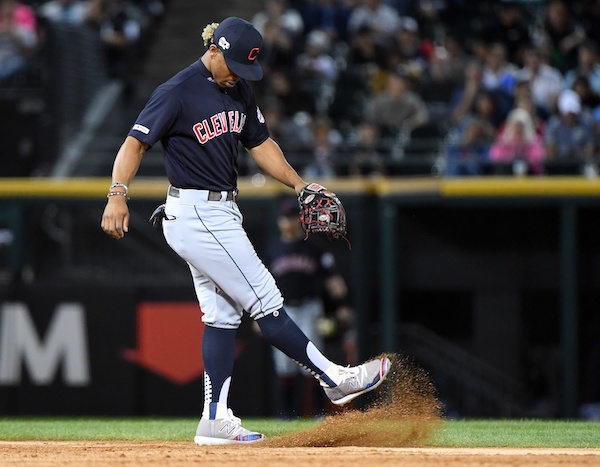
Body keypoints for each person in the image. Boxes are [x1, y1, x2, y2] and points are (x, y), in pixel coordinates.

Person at [100, 17, 390, 446]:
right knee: (265, 299)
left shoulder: (238, 89)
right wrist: (117, 192)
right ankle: (335, 378)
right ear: (214, 49)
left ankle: (214, 420)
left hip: (219, 213)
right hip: (197, 213)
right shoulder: (177, 91)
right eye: (234, 63)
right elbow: (134, 143)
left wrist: (297, 183)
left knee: (222, 315)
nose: (239, 74)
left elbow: (261, 144)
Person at [263, 199, 355, 419]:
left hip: (309, 307)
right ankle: (286, 414)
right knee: (284, 364)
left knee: (312, 363)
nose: (289, 222)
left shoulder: (314, 247)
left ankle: (318, 413)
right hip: (282, 309)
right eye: (285, 217)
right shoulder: (272, 250)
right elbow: (261, 285)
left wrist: (342, 305)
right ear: (279, 221)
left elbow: (333, 280)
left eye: (293, 217)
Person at [0, 0, 38, 86]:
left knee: (21, 68)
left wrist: (13, 32)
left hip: (17, 63)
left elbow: (31, 44)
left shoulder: (20, 28)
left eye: (9, 15)